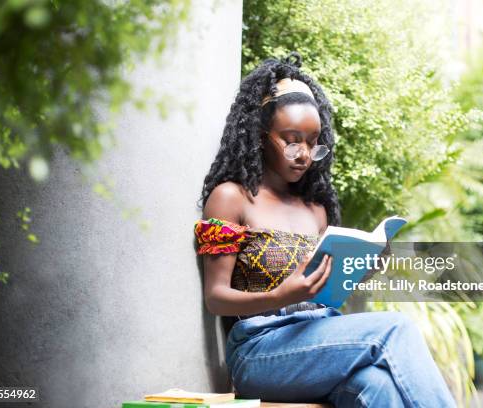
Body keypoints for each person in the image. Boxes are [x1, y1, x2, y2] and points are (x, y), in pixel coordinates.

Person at [194, 52, 456, 408]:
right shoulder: (232, 198)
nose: (304, 154)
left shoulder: (315, 210)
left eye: (313, 142)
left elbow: (325, 289)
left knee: (377, 386)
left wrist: (363, 270)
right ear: (260, 135)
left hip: (319, 337)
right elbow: (215, 297)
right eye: (291, 140)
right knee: (396, 328)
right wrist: (279, 297)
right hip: (261, 350)